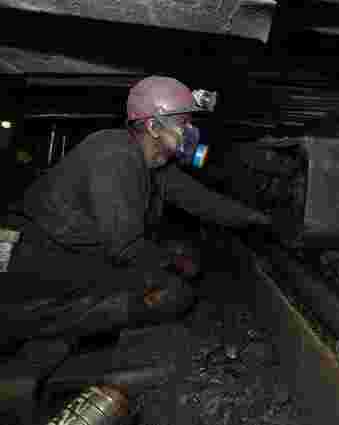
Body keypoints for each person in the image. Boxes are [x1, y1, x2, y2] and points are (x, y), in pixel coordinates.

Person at [1, 76, 271, 343]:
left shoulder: (152, 163)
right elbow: (125, 247)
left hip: (64, 249)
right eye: (183, 123)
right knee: (172, 294)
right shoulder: (115, 156)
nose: (190, 131)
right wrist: (174, 262)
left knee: (173, 262)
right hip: (27, 254)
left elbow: (203, 201)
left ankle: (57, 318)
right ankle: (25, 326)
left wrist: (256, 218)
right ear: (154, 126)